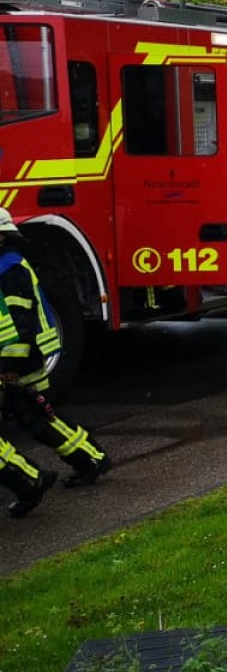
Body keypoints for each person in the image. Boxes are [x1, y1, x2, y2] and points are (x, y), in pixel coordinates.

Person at [0, 208, 108, 515]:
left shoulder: (10, 270)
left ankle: (86, 460)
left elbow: (21, 322)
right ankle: (88, 458)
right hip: (21, 354)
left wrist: (10, 365)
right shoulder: (8, 265)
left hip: (24, 355)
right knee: (35, 416)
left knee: (36, 417)